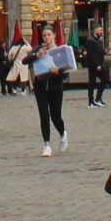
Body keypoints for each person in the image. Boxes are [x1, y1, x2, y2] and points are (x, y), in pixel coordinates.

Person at [30, 22, 70, 157]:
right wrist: (37, 55)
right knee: (44, 115)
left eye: (49, 35)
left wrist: (57, 71)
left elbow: (66, 72)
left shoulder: (60, 51)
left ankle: (62, 133)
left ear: (53, 35)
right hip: (40, 86)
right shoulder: (39, 49)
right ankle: (46, 144)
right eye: (44, 35)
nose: (46, 37)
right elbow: (25, 60)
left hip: (55, 86)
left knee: (55, 115)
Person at [81, 22, 109, 108]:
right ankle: (90, 102)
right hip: (94, 66)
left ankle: (98, 99)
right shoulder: (90, 40)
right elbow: (91, 54)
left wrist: (104, 52)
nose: (101, 32)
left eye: (102, 30)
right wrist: (97, 65)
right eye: (100, 30)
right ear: (95, 30)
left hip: (100, 64)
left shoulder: (98, 39)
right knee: (92, 83)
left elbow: (98, 51)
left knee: (105, 80)